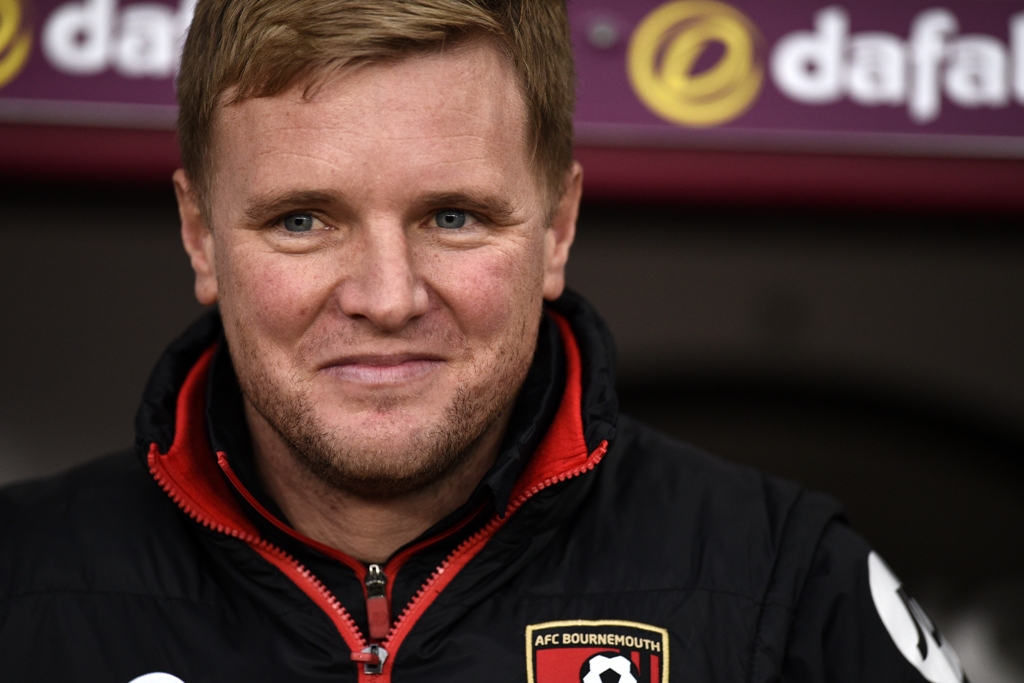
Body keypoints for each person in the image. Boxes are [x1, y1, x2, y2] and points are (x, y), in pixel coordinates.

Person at [0, 1, 967, 681]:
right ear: (201, 235)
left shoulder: (781, 587)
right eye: (302, 220)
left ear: (556, 228)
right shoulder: (20, 584)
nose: (385, 296)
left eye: (454, 217)